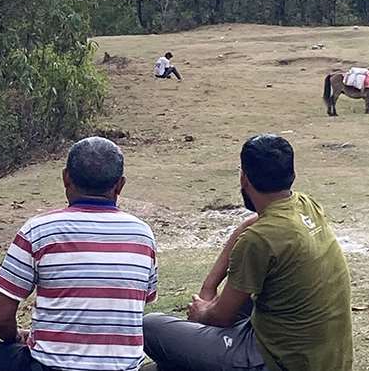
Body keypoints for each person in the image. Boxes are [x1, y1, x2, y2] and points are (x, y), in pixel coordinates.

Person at [0, 137, 158, 371]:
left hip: (47, 366)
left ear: (65, 178)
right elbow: (142, 300)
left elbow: (0, 319)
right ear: (120, 185)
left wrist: (17, 337)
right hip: (122, 367)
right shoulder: (143, 234)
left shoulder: (39, 230)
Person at [142, 134, 353, 371]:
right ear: (292, 175)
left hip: (279, 359)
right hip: (322, 356)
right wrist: (209, 286)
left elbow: (219, 317)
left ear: (244, 178)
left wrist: (202, 312)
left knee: (150, 327)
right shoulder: (305, 205)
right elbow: (250, 223)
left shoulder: (259, 239)